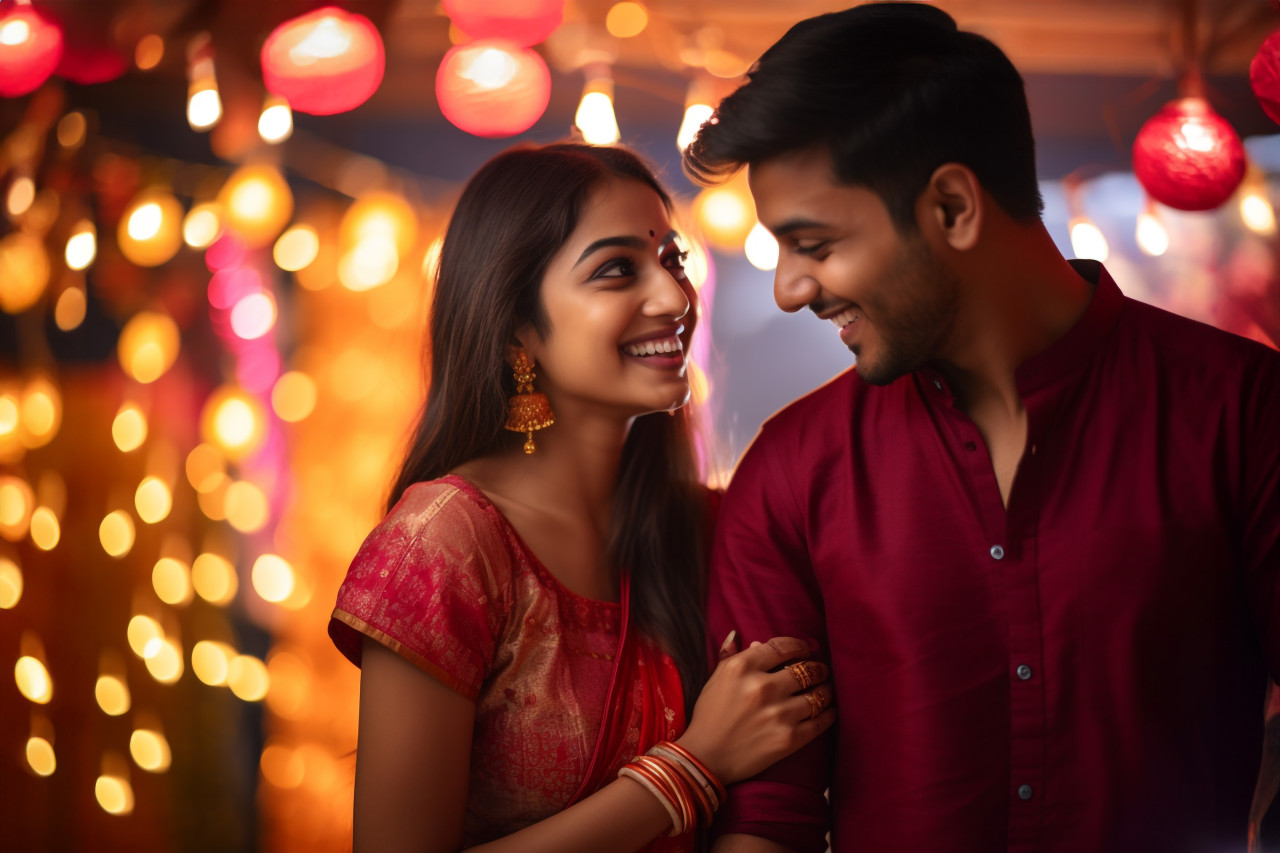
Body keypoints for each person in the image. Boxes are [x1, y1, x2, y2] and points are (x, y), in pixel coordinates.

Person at [682, 4, 1280, 852]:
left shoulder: (1242, 411)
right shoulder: (792, 472)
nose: (789, 288)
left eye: (813, 243)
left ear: (953, 206)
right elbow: (766, 825)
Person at [327, 142, 836, 853]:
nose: (673, 297)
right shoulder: (445, 544)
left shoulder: (711, 528)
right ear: (518, 328)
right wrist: (692, 766)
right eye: (616, 269)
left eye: (672, 260)